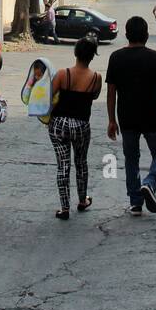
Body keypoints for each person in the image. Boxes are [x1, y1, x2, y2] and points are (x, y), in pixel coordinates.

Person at [106, 16, 156, 216]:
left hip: (126, 118)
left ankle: (136, 202)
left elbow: (111, 92)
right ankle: (150, 182)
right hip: (152, 117)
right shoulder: (155, 57)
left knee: (131, 158)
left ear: (127, 35)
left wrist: (111, 120)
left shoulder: (115, 57)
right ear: (146, 35)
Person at [47, 35, 102, 219]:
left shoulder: (63, 74)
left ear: (75, 52)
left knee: (63, 165)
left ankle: (64, 208)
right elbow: (93, 97)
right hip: (81, 126)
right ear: (92, 56)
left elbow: (49, 96)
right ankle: (82, 200)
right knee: (81, 162)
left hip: (59, 124)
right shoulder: (96, 78)